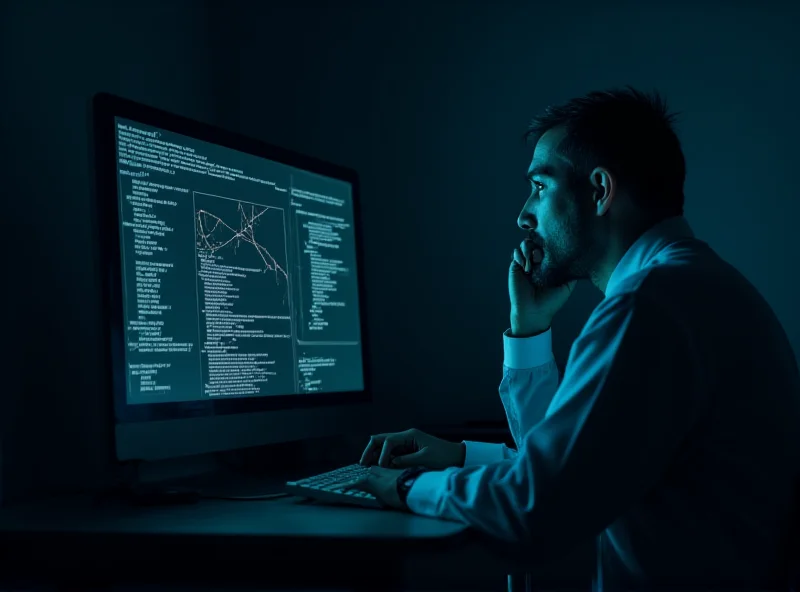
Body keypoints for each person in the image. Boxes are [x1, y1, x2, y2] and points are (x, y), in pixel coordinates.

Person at [346, 87, 800, 590]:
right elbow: (580, 468)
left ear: (601, 190)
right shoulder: (690, 286)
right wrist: (528, 332)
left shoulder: (647, 307)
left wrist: (409, 486)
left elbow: (536, 508)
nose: (524, 214)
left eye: (540, 186)